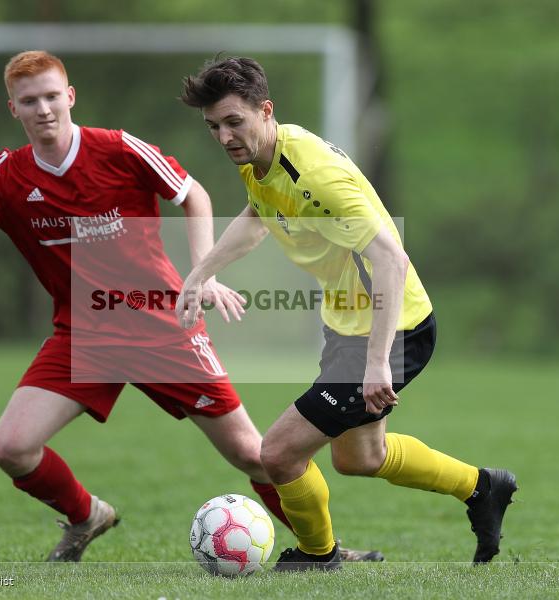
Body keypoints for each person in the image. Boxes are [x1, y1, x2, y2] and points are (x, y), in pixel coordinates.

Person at [0, 50, 381, 564]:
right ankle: (86, 515)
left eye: (49, 97)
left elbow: (192, 194)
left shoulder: (116, 149)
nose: (42, 109)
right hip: (83, 335)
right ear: (13, 109)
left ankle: (327, 551)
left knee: (252, 453)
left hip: (161, 325)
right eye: (28, 101)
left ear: (69, 97)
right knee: (11, 448)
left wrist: (203, 274)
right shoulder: (3, 177)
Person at [177, 56, 517, 571]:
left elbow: (390, 257)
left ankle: (319, 556)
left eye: (233, 122)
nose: (224, 137)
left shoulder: (315, 175)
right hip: (348, 326)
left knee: (279, 452)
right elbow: (256, 217)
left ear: (264, 110)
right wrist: (200, 273)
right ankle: (482, 488)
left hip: (391, 330)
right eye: (214, 127)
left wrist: (379, 362)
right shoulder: (262, 158)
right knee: (360, 459)